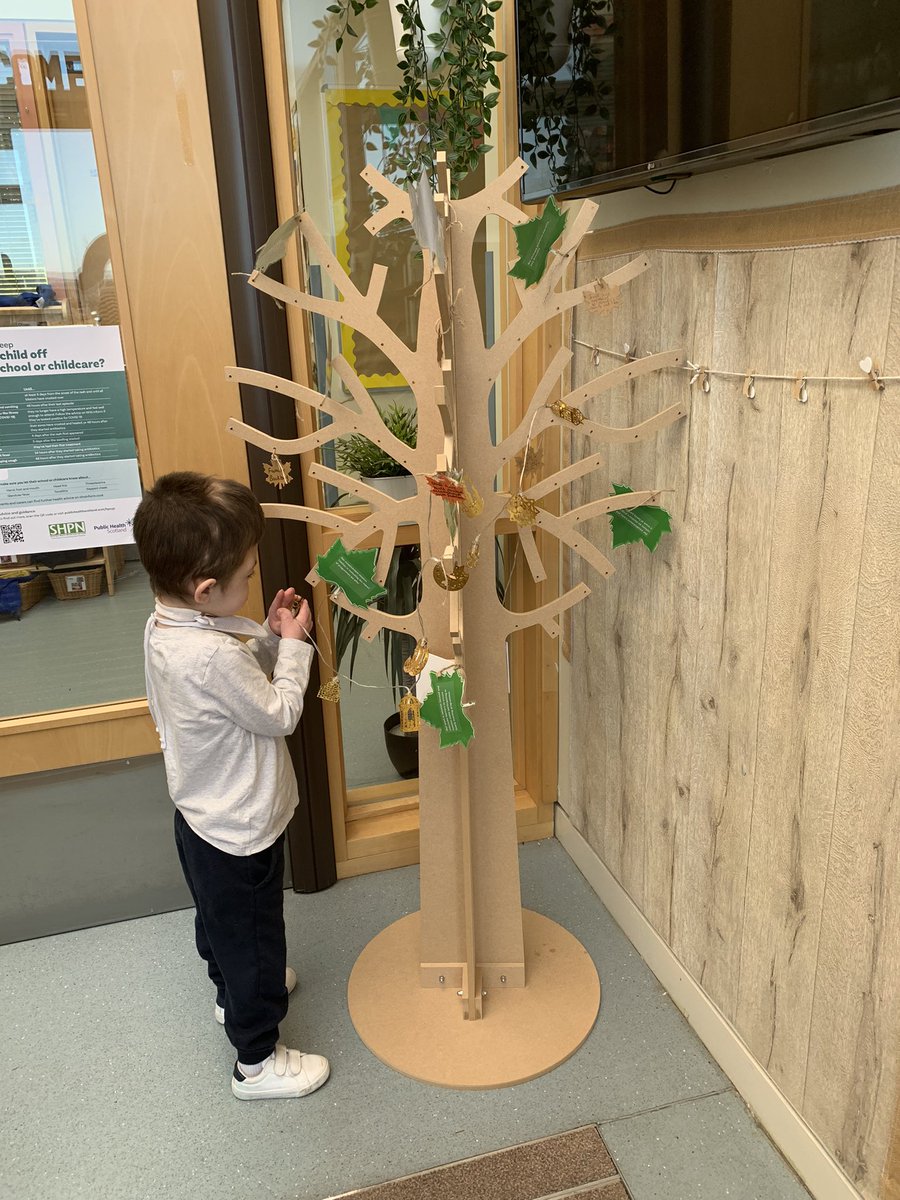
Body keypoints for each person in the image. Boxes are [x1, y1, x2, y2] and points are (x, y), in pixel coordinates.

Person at [133, 471, 330, 1101]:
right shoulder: (211, 656)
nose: (252, 584)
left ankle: (230, 995)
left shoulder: (166, 626)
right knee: (256, 940)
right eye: (246, 577)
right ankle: (257, 1060)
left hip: (199, 818)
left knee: (223, 928)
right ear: (205, 588)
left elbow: (231, 674)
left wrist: (268, 635)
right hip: (242, 829)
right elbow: (277, 713)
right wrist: (294, 649)